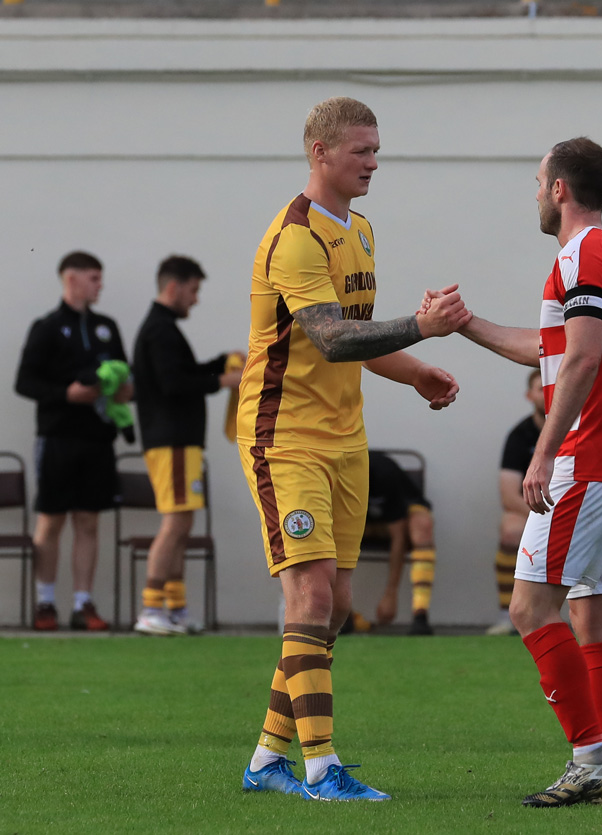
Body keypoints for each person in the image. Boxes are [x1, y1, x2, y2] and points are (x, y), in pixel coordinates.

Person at [236, 96, 470, 802]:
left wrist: (414, 368)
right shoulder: (295, 237)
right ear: (321, 152)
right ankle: (321, 768)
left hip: (345, 439)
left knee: (334, 605)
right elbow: (331, 337)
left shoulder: (359, 231)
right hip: (285, 439)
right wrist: (422, 329)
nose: (373, 162)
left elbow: (358, 342)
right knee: (307, 594)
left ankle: (265, 760)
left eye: (376, 150)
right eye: (361, 150)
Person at [433, 137, 602, 807]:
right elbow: (553, 346)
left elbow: (581, 361)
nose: (534, 192)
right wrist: (464, 323)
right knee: (593, 616)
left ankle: (589, 757)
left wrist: (544, 451)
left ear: (560, 188)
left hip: (590, 458)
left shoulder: (581, 253)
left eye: (538, 181)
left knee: (530, 605)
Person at [14, 251, 133, 631]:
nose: (100, 286)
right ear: (71, 279)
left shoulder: (107, 327)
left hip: (97, 439)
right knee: (50, 521)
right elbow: (24, 382)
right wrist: (67, 394)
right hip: (57, 438)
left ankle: (83, 604)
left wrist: (125, 391)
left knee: (88, 521)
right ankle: (45, 603)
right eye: (94, 278)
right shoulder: (46, 327)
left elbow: (122, 376)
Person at [131, 255, 244, 636]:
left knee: (183, 522)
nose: (196, 300)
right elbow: (172, 384)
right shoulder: (159, 330)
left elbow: (185, 372)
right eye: (194, 290)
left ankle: (175, 607)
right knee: (176, 522)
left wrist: (219, 364)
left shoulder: (164, 329)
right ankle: (150, 607)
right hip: (171, 440)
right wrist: (224, 381)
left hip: (180, 442)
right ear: (174, 286)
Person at [486, 369, 544, 636]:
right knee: (510, 530)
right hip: (534, 510)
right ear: (529, 395)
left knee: (598, 527)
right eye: (540, 388)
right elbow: (509, 497)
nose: (548, 393)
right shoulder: (519, 437)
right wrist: (546, 514)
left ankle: (596, 614)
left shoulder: (580, 430)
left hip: (576, 509)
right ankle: (506, 614)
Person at [365, 449, 436, 636]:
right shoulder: (334, 478)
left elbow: (398, 536)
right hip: (363, 522)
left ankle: (420, 614)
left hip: (401, 514)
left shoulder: (383, 473)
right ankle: (339, 613)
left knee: (422, 526)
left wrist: (391, 593)